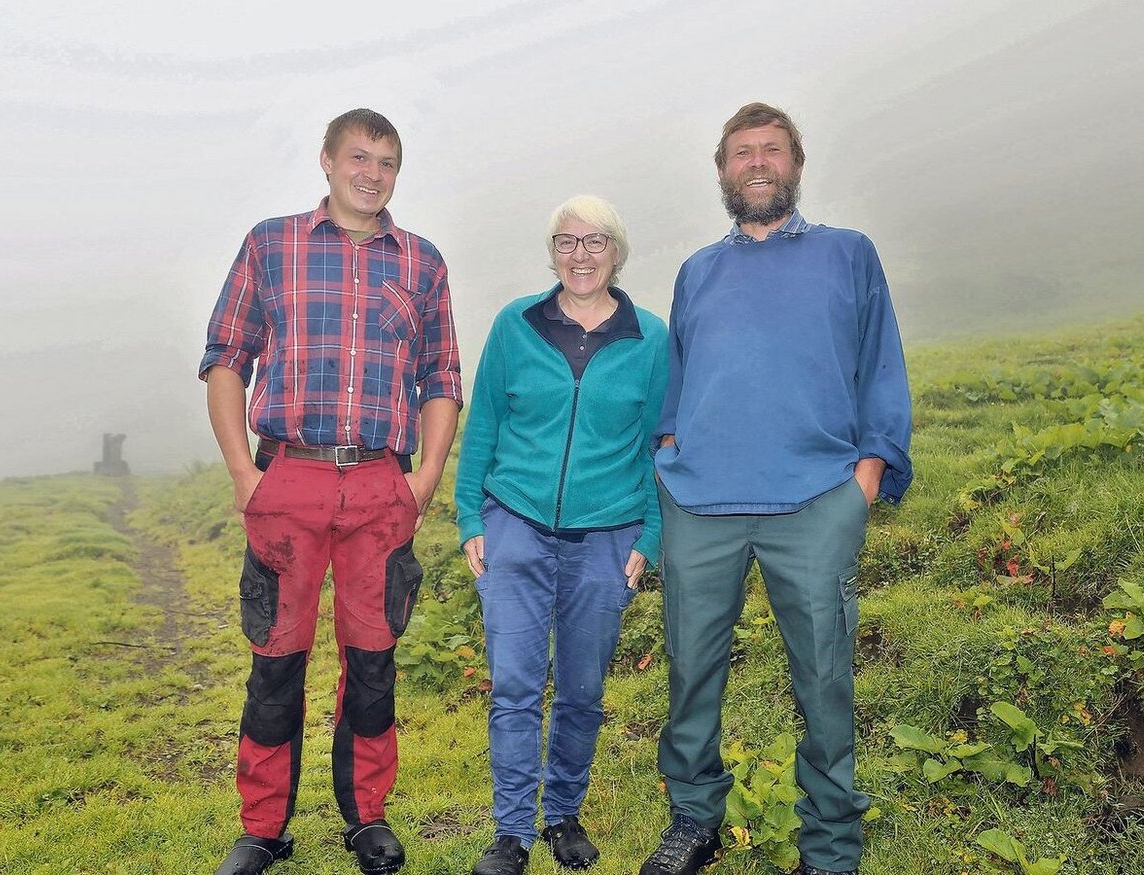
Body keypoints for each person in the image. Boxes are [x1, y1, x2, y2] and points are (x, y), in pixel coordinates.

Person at [640, 103, 913, 875]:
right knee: (691, 669)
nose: (756, 163)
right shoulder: (698, 270)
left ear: (795, 164)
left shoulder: (849, 254)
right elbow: (680, 380)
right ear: (722, 170)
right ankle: (694, 818)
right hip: (699, 504)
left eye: (771, 151)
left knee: (823, 675)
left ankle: (829, 847)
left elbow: (882, 366)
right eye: (741, 153)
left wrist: (864, 480)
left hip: (816, 500)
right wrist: (669, 450)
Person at [199, 108, 462, 875]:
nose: (371, 172)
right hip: (290, 476)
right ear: (326, 160)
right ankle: (262, 828)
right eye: (358, 156)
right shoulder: (270, 244)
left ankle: (367, 818)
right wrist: (244, 474)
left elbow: (442, 375)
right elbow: (225, 357)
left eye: (386, 161)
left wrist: (425, 477)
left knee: (373, 658)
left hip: (381, 485)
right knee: (276, 660)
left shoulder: (422, 262)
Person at [455, 195, 668, 875]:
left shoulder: (652, 338)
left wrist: (653, 534)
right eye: (567, 241)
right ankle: (513, 831)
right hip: (514, 526)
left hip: (609, 537)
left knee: (581, 688)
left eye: (595, 240)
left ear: (617, 250)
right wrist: (469, 517)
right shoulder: (515, 326)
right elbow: (483, 424)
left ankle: (563, 815)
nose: (581, 254)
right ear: (551, 251)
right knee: (515, 685)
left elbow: (662, 445)